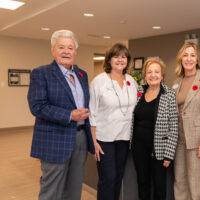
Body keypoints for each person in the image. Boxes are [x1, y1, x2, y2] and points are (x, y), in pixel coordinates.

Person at [27, 29, 95, 200]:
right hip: (54, 139)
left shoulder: (81, 75)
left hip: (80, 138)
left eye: (70, 48)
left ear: (75, 52)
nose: (66, 51)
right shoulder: (41, 73)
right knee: (52, 190)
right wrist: (69, 115)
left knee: (74, 188)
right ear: (53, 50)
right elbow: (37, 106)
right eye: (61, 47)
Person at [89, 43, 137, 200]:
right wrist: (93, 141)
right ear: (109, 60)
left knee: (118, 178)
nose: (120, 60)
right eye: (116, 56)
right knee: (108, 179)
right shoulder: (99, 81)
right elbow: (92, 112)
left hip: (124, 139)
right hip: (104, 139)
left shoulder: (131, 81)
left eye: (124, 57)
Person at [172, 42, 200, 200]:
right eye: (185, 55)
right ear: (180, 59)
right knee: (180, 182)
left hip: (197, 140)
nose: (188, 58)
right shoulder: (177, 82)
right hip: (179, 140)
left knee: (195, 184)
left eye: (192, 55)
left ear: (197, 59)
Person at [131, 58, 178, 200]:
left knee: (159, 186)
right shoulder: (138, 92)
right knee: (142, 182)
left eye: (156, 72)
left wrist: (169, 154)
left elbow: (174, 126)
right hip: (138, 147)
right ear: (145, 75)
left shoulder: (169, 95)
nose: (153, 75)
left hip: (159, 149)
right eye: (149, 72)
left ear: (162, 75)